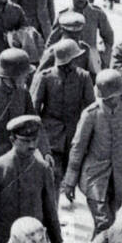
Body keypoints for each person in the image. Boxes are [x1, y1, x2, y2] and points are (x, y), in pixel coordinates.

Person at [62, 69, 122, 236]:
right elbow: (77, 148)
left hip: (121, 176)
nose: (121, 97)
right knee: (103, 223)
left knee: (120, 222)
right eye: (117, 94)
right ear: (105, 96)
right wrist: (69, 183)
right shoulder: (91, 115)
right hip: (95, 177)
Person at [0, 115, 61, 243]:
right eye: (25, 141)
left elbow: (51, 212)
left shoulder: (42, 169)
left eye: (34, 140)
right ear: (12, 140)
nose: (31, 146)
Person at [30, 38, 95, 181]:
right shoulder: (45, 77)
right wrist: (38, 136)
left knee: (71, 174)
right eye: (74, 59)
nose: (76, 62)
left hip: (74, 134)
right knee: (52, 174)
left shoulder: (84, 77)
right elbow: (34, 109)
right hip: (50, 135)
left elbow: (91, 108)